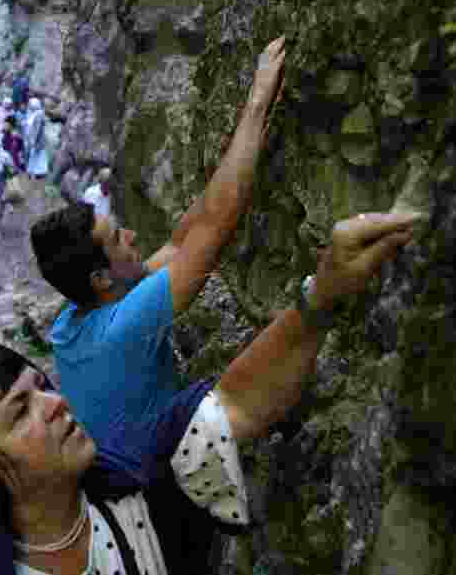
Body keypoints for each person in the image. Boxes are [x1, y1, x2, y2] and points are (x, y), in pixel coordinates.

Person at [0, 206, 422, 574]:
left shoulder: (128, 477)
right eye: (20, 411)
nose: (56, 404)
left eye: (41, 388)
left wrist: (324, 290)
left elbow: (234, 404)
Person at [29, 36, 288, 444]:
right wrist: (257, 100)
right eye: (118, 238)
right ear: (99, 278)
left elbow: (183, 239)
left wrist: (244, 138)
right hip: (148, 486)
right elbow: (215, 230)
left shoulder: (75, 317)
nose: (132, 235)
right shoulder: (122, 327)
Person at [25, 99, 49, 179]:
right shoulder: (33, 113)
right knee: (34, 156)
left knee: (37, 157)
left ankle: (36, 173)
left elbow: (36, 129)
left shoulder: (39, 114)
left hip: (38, 141)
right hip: (33, 140)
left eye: (30, 104)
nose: (29, 106)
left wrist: (32, 141)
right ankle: (32, 172)